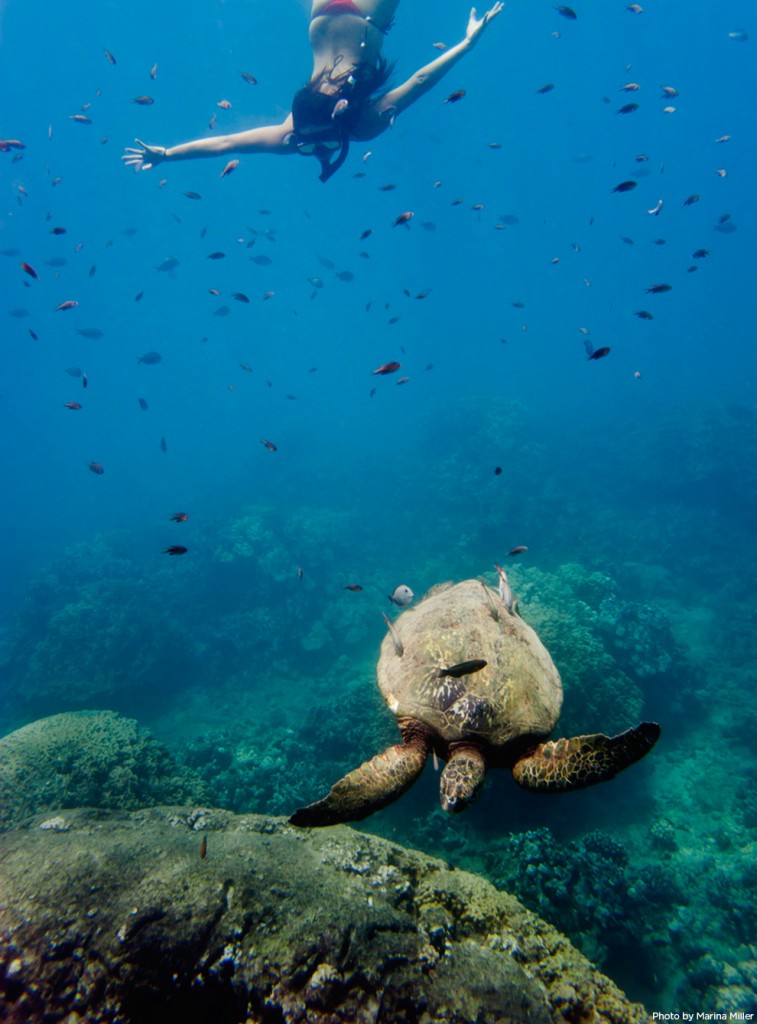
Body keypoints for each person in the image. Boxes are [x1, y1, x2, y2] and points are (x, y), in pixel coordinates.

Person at [122, 1, 504, 183]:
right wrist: (168, 155)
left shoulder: (359, 126)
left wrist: (466, 44)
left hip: (367, 16)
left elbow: (419, 82)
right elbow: (226, 144)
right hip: (322, 12)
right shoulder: (295, 130)